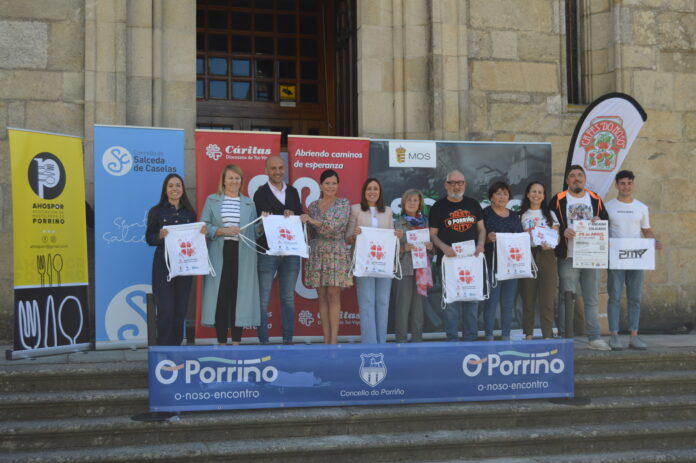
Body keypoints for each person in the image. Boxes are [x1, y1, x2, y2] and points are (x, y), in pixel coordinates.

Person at [549, 165, 610, 350]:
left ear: (585, 179)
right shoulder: (558, 199)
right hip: (568, 257)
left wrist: (599, 222)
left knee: (591, 299)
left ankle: (594, 338)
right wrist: (562, 230)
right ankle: (565, 337)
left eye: (579, 175)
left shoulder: (595, 199)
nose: (576, 178)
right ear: (567, 180)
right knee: (567, 297)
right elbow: (550, 224)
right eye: (572, 176)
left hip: (591, 257)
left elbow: (606, 221)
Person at [200, 165, 260, 345]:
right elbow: (204, 227)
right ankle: (220, 341)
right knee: (221, 295)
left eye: (237, 178)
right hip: (220, 251)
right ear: (224, 181)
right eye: (231, 178)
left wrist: (264, 223)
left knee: (238, 295)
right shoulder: (212, 200)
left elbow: (255, 232)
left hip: (243, 255)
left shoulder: (249, 203)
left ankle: (236, 341)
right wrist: (221, 230)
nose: (234, 182)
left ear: (241, 181)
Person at [605, 170, 662, 350]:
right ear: (616, 185)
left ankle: (634, 336)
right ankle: (614, 335)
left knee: (635, 297)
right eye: (622, 183)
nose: (626, 187)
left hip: (637, 258)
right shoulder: (608, 206)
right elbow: (603, 230)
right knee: (614, 296)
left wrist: (654, 241)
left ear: (633, 185)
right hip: (615, 258)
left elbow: (646, 230)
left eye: (629, 183)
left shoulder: (641, 207)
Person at [145, 174, 204, 346]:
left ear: (183, 189)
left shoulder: (190, 213)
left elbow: (194, 240)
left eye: (178, 185)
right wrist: (159, 236)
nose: (175, 189)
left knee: (180, 309)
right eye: (171, 185)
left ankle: (176, 347)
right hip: (163, 264)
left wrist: (201, 233)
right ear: (165, 189)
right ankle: (162, 347)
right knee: (165, 309)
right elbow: (149, 238)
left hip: (185, 264)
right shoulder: (156, 211)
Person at [428, 170, 486, 341]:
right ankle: (452, 340)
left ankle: (471, 339)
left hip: (471, 262)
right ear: (446, 185)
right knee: (451, 304)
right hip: (448, 262)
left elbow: (482, 229)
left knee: (472, 301)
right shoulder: (438, 207)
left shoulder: (473, 204)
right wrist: (444, 247)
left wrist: (481, 244)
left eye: (459, 182)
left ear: (465, 184)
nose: (456, 186)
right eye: (452, 182)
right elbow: (432, 235)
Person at [254, 155, 305, 345]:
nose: (277, 171)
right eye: (273, 168)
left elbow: (299, 215)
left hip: (290, 253)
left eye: (280, 168)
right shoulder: (260, 194)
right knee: (263, 299)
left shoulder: (293, 192)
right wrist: (267, 217)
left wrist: (294, 215)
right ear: (266, 171)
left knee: (288, 298)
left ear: (284, 169)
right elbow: (258, 225)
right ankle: (264, 342)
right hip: (267, 252)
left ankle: (288, 340)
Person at [346, 178, 402, 344]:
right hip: (364, 263)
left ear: (380, 192)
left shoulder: (388, 211)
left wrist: (397, 235)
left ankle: (382, 343)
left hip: (384, 264)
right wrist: (354, 235)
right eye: (369, 189)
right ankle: (370, 344)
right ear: (364, 192)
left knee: (383, 302)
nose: (372, 191)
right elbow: (347, 238)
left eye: (375, 189)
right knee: (367, 302)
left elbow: (391, 236)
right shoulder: (355, 209)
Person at [302, 169, 352, 344]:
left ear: (338, 185)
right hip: (317, 253)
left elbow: (335, 228)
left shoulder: (343, 204)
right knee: (322, 297)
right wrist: (295, 222)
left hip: (336, 252)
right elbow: (308, 234)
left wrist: (312, 221)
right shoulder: (313, 206)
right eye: (327, 183)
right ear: (321, 185)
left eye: (334, 183)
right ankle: (325, 340)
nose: (330, 186)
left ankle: (334, 341)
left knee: (333, 295)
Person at [482, 181, 524, 341]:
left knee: (508, 303)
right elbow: (478, 238)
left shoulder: (514, 216)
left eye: (505, 194)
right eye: (498, 193)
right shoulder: (485, 213)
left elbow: (520, 239)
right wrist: (487, 239)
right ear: (491, 196)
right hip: (492, 265)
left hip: (512, 267)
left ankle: (506, 336)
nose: (502, 197)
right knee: (491, 303)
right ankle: (489, 336)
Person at [519, 181, 559, 340]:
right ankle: (528, 334)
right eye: (533, 191)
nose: (536, 195)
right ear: (528, 194)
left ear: (544, 196)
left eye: (540, 192)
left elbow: (557, 236)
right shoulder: (521, 215)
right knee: (528, 298)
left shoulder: (550, 214)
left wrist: (550, 244)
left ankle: (547, 335)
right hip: (527, 255)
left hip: (547, 256)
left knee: (547, 299)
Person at [393, 189, 433, 343]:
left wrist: (430, 247)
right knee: (402, 308)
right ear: (403, 203)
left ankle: (417, 341)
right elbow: (390, 249)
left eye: (415, 200)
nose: (412, 203)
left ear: (420, 203)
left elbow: (432, 249)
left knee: (418, 310)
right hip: (405, 268)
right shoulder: (397, 223)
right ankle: (401, 341)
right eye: (409, 200)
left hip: (422, 270)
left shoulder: (426, 223)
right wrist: (403, 248)